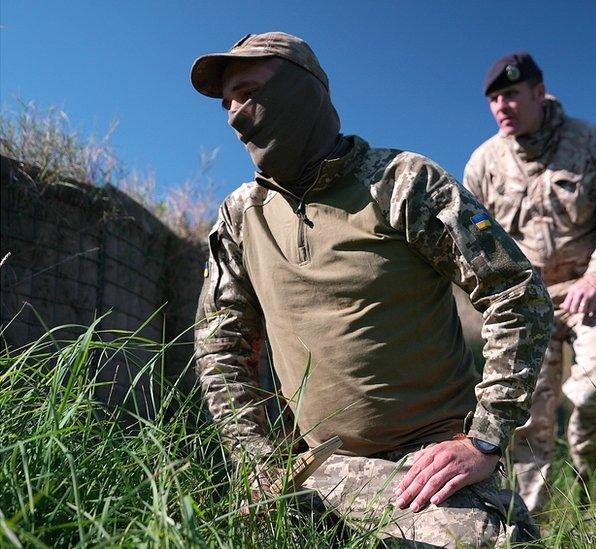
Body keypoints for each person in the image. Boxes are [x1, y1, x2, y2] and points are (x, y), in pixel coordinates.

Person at [190, 32, 553, 547]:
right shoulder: (239, 218)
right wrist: (259, 461)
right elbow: (220, 345)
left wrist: (486, 439)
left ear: (302, 90)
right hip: (315, 470)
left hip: (425, 465)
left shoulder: (401, 183)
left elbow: (515, 292)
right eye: (226, 103)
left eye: (248, 92)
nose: (235, 115)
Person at [463, 52, 596, 511]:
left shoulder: (589, 142)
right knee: (523, 418)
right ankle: (527, 526)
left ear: (539, 94)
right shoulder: (483, 163)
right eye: (494, 98)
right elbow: (470, 243)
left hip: (589, 291)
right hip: (523, 300)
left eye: (512, 95)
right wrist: (494, 299)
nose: (502, 106)